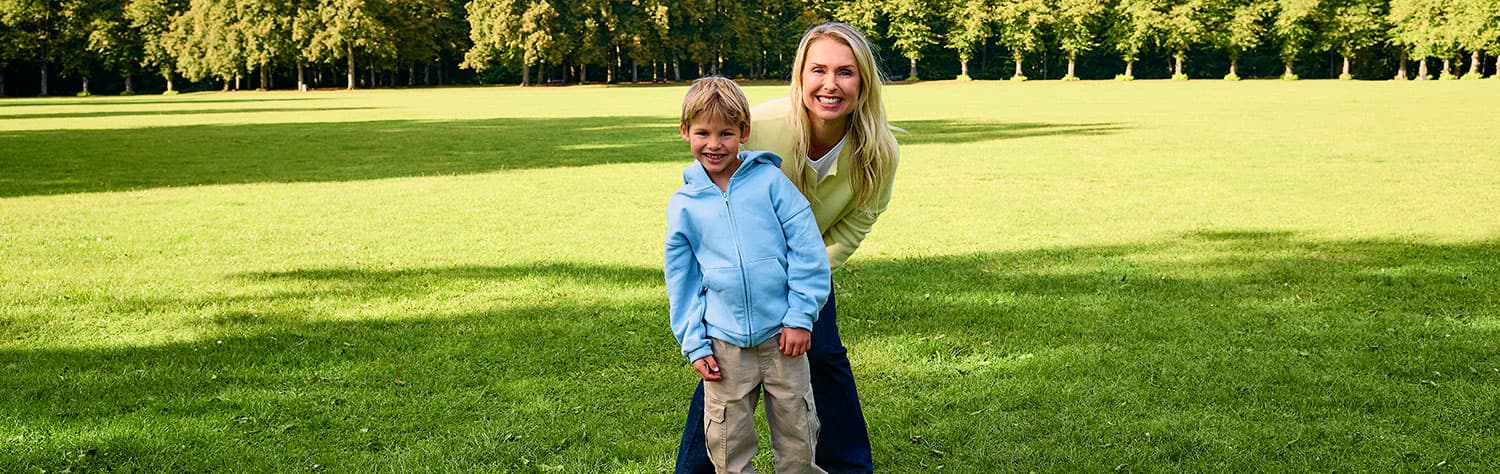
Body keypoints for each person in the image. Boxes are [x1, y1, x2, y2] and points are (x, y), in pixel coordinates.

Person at [676, 23, 899, 474]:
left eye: (845, 72)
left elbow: (857, 224)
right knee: (722, 366)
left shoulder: (880, 151)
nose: (830, 85)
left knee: (825, 357)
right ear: (801, 75)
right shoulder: (761, 128)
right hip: (741, 275)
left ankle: (847, 466)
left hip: (809, 271)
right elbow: (709, 181)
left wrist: (803, 285)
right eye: (818, 70)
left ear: (864, 81)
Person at [665, 76, 833, 474]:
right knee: (728, 444)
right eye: (703, 132)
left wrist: (798, 317)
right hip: (724, 346)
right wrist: (695, 343)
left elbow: (807, 251)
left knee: (797, 436)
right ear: (685, 132)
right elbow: (682, 280)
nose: (714, 144)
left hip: (784, 340)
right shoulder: (684, 205)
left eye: (726, 133)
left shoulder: (772, 183)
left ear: (744, 133)